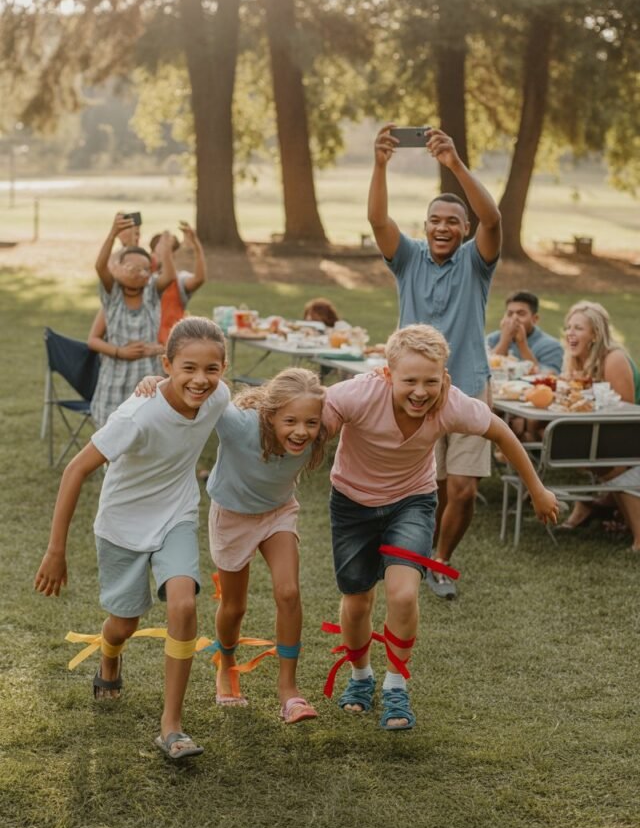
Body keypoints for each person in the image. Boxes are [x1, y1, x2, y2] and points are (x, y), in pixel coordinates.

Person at [322, 324, 559, 732]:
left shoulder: (452, 404)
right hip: (352, 505)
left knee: (403, 592)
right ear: (386, 375)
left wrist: (537, 489)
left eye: (431, 381)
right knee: (358, 600)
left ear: (445, 379)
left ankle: (396, 684)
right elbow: (313, 420)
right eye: (409, 380)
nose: (420, 391)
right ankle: (361, 677)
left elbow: (501, 432)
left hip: (411, 503)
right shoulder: (357, 394)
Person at [34, 318, 231, 762]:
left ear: (222, 369)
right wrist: (55, 550)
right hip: (122, 524)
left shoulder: (218, 397)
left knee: (183, 604)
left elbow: (228, 399)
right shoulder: (137, 414)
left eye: (211, 369)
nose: (200, 380)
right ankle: (109, 658)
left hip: (176, 516)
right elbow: (75, 470)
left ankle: (172, 727)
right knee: (124, 624)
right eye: (188, 368)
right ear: (167, 365)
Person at [137, 368, 326, 723]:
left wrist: (383, 375)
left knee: (288, 592)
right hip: (233, 516)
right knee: (234, 606)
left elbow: (363, 398)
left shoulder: (325, 420)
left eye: (310, 423)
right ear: (270, 417)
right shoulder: (240, 425)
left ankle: (289, 691)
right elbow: (202, 388)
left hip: (278, 513)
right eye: (290, 421)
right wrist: (156, 382)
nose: (302, 432)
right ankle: (226, 664)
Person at [368, 124, 502, 600]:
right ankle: (419, 553)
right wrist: (380, 164)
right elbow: (378, 220)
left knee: (462, 488)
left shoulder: (475, 262)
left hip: (467, 385)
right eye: (435, 220)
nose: (443, 227)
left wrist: (454, 164)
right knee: (431, 484)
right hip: (412, 391)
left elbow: (493, 219)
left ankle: (441, 560)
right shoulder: (407, 259)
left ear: (463, 230)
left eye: (452, 221)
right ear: (425, 227)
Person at [557, 300, 640, 547]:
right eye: (569, 327)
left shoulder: (613, 358)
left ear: (595, 333)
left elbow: (625, 417)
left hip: (631, 431)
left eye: (578, 328)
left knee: (608, 465)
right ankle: (595, 506)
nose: (571, 333)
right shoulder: (577, 360)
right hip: (611, 434)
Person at [88, 215, 177, 427]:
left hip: (146, 380)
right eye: (132, 268)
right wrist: (112, 234)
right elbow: (100, 266)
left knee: (145, 431)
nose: (139, 273)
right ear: (117, 269)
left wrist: (165, 250)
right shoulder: (113, 296)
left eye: (145, 269)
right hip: (114, 383)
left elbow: (169, 276)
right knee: (111, 436)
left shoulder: (151, 294)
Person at [150, 222, 207, 345]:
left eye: (167, 249)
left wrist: (196, 245)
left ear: (173, 254)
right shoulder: (143, 279)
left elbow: (199, 279)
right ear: (152, 252)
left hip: (172, 345)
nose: (163, 251)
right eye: (160, 247)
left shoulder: (179, 280)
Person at [487, 290, 563, 374]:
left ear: (535, 319)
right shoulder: (492, 339)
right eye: (510, 314)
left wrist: (522, 344)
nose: (514, 318)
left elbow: (550, 376)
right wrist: (504, 341)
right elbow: (482, 370)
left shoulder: (551, 346)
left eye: (521, 314)